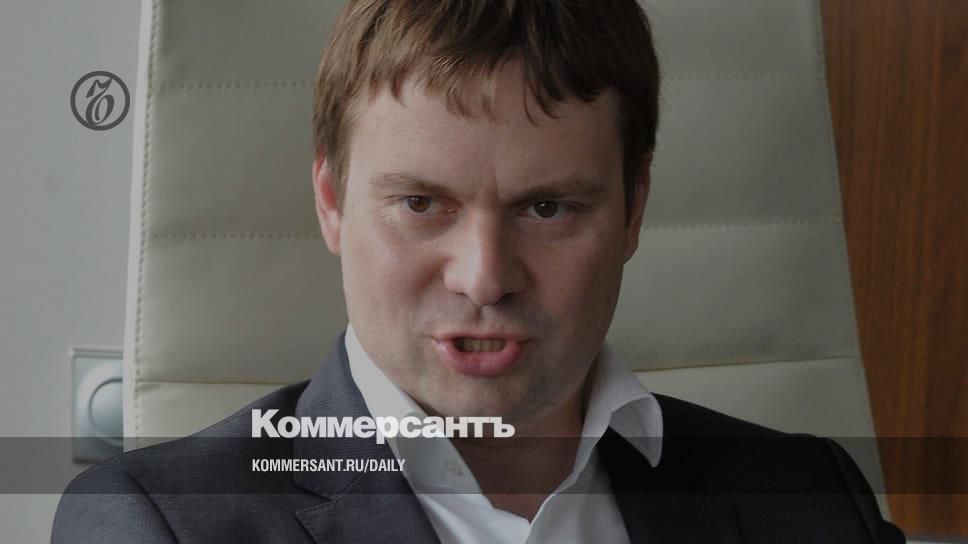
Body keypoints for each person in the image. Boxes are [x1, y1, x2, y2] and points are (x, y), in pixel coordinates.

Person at [52, 1, 905, 542]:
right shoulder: (154, 526)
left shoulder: (812, 499)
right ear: (332, 203)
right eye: (422, 204)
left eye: (549, 208)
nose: (485, 278)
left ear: (634, 210)